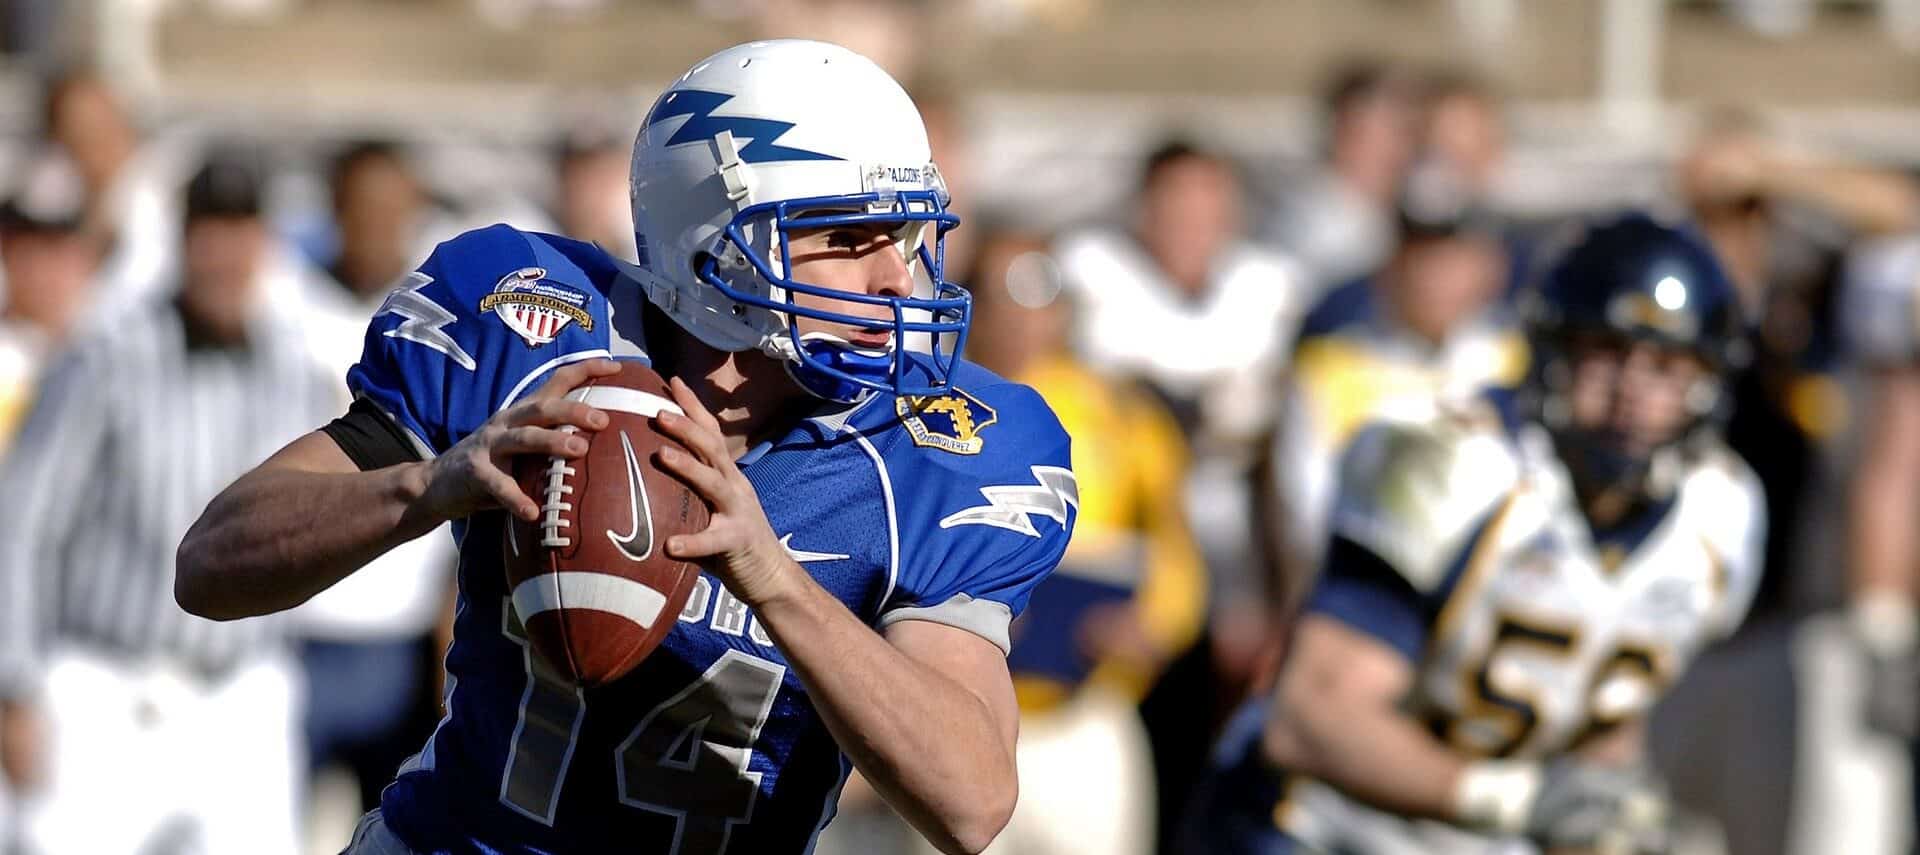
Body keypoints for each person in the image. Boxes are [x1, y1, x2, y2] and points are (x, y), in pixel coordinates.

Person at [174, 39, 1076, 855]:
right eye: (847, 237)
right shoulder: (530, 322)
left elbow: (971, 801)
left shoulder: (941, 445)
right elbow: (211, 564)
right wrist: (431, 483)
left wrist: (772, 575)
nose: (896, 278)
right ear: (713, 248)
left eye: (909, 235)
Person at [1184, 214, 1765, 855]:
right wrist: (1513, 800)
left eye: (1664, 368)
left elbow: (1601, 709)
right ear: (1550, 352)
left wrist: (1606, 811)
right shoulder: (1454, 461)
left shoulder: (1721, 514)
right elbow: (1312, 718)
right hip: (1316, 825)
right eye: (1605, 354)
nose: (1631, 392)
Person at [0, 147, 339, 855]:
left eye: (240, 230)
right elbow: (22, 521)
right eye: (208, 231)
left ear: (263, 243)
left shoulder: (292, 364)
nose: (224, 254)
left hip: (244, 694)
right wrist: (14, 684)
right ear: (182, 241)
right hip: (107, 690)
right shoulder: (106, 356)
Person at [956, 227, 1205, 855]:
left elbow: (1177, 552)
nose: (1022, 316)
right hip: (959, 712)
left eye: (1039, 293)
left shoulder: (1121, 414)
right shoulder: (927, 405)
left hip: (1083, 716)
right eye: (1003, 293)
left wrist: (1152, 625)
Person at [1264, 170, 1521, 615]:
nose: (1434, 278)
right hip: (1370, 606)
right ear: (1389, 266)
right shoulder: (1328, 373)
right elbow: (1306, 523)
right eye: (1420, 257)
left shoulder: (1518, 364)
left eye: (1452, 258)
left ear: (1487, 267)